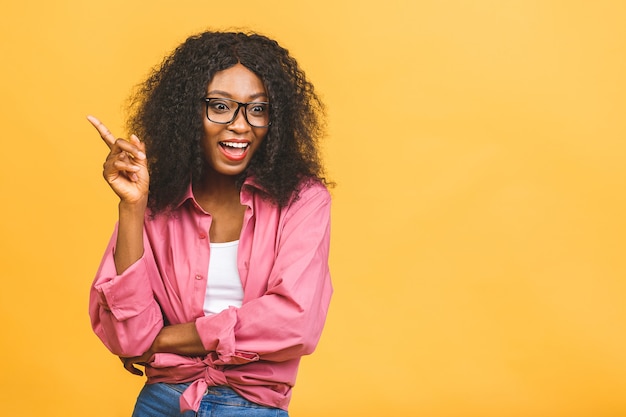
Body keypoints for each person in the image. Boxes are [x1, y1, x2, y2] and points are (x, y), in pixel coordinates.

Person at [87, 30, 333, 417]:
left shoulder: (303, 200)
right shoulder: (157, 201)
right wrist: (133, 207)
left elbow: (295, 322)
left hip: (250, 405)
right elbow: (129, 337)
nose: (240, 124)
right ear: (188, 112)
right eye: (220, 107)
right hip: (161, 401)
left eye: (257, 108)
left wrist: (167, 338)